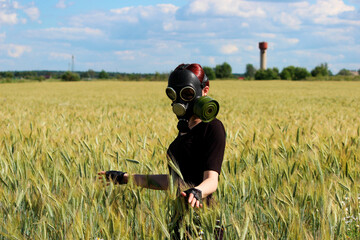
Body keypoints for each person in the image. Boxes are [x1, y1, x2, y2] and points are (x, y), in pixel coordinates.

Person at [98, 63, 226, 239]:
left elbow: (212, 180)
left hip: (204, 221)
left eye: (187, 94)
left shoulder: (212, 127)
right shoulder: (183, 132)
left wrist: (197, 192)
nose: (180, 101)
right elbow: (175, 182)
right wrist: (126, 178)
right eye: (174, 94)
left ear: (204, 91)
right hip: (180, 221)